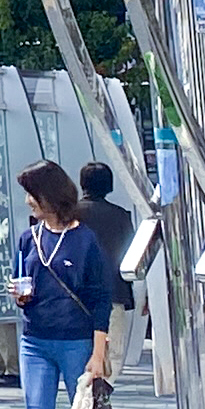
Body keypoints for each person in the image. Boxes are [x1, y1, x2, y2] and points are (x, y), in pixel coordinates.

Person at [16, 159, 118, 409]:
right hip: (35, 340)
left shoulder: (85, 239)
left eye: (32, 193)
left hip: (78, 341)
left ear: (50, 195)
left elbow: (99, 297)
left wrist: (98, 353)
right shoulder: (29, 238)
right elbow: (23, 282)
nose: (28, 201)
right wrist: (21, 296)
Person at [75, 160, 141, 377]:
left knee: (81, 357)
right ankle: (101, 401)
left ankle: (85, 403)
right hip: (114, 293)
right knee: (111, 358)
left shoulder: (71, 215)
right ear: (109, 186)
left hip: (77, 297)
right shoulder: (121, 216)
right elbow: (130, 256)